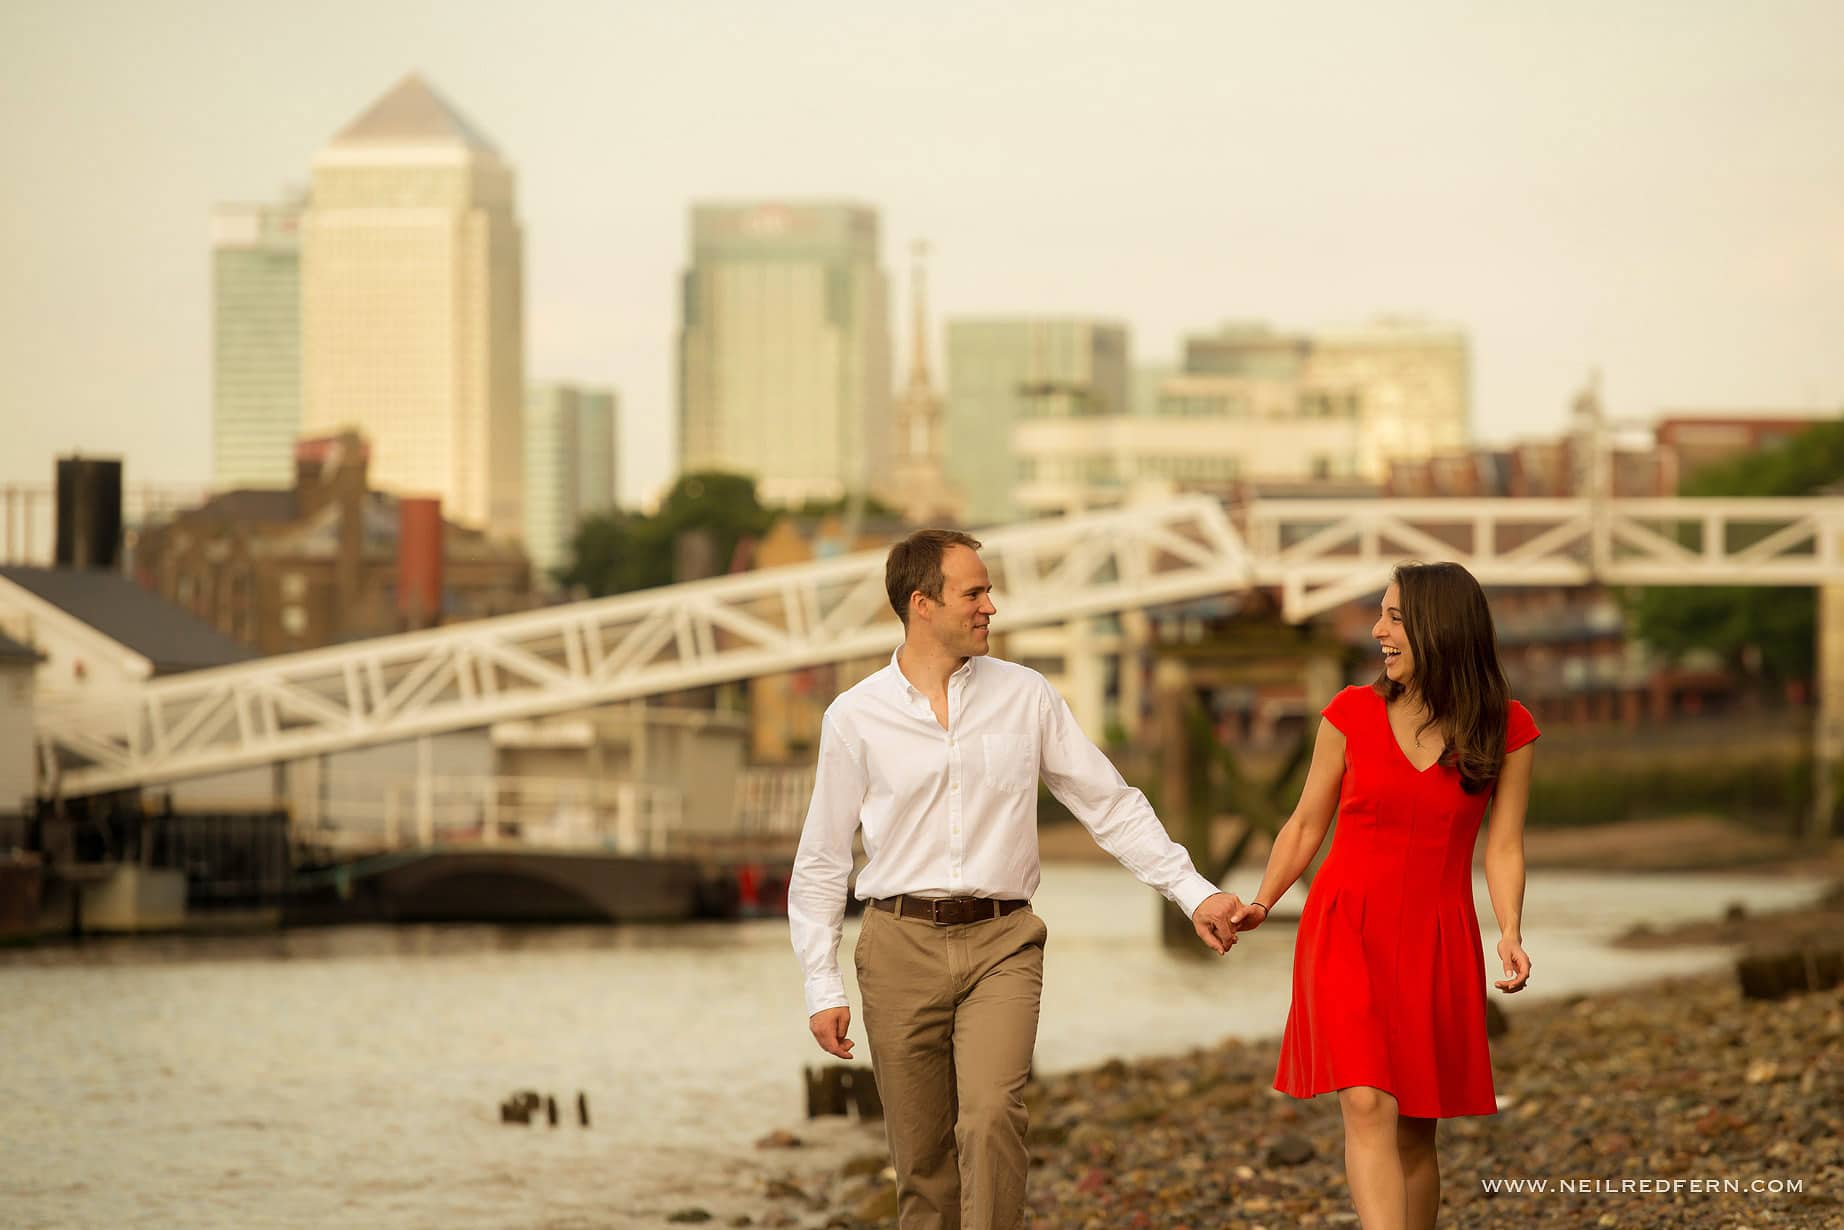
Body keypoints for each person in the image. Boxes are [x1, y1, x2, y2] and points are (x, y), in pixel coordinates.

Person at [788, 528, 1242, 1230]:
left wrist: (1194, 892)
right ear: (922, 604)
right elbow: (822, 859)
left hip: (1003, 942)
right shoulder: (854, 717)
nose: (990, 607)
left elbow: (1109, 804)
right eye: (973, 593)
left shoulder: (1026, 696)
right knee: (922, 1166)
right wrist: (822, 987)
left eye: (989, 591)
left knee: (992, 1114)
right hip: (897, 948)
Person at [1225, 561, 1538, 1230]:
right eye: (1380, 616)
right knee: (1367, 1103)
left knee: (1416, 1132)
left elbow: (1504, 845)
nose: (1377, 631)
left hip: (1437, 938)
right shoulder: (1349, 714)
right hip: (1345, 927)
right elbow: (1304, 824)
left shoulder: (1506, 727)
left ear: (1439, 627)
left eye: (1394, 618)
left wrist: (1510, 931)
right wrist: (1263, 900)